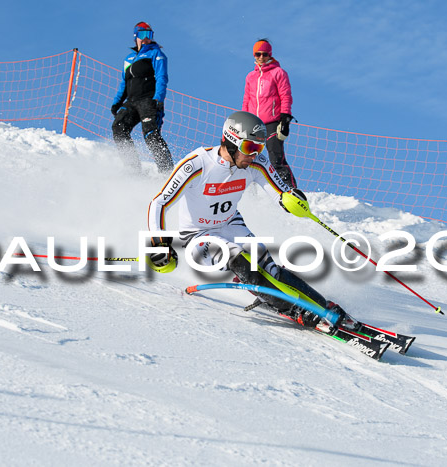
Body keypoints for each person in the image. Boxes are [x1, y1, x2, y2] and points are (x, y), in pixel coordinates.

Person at [146, 110, 346, 328]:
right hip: (197, 234)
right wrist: (159, 244)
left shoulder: (255, 163)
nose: (254, 155)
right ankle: (294, 308)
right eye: (250, 147)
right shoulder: (196, 165)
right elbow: (159, 203)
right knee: (238, 258)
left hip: (231, 224)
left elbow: (279, 192)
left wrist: (291, 200)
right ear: (230, 142)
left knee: (266, 264)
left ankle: (322, 305)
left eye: (258, 148)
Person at [111, 21, 174, 173]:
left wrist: (158, 98)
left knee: (150, 135)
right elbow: (123, 83)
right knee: (118, 128)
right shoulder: (128, 59)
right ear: (136, 37)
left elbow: (161, 77)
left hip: (149, 100)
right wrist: (117, 102)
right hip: (131, 102)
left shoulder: (156, 53)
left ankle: (167, 172)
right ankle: (133, 169)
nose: (146, 39)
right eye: (143, 35)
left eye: (149, 35)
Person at [242, 39, 296, 188]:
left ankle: (290, 190)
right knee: (248, 158)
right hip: (254, 124)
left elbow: (285, 96)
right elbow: (247, 100)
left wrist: (285, 119)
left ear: (269, 55)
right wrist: (244, 121)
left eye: (264, 54)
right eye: (258, 54)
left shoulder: (278, 73)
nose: (261, 57)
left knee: (276, 157)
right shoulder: (250, 77)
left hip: (272, 122)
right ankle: (252, 193)